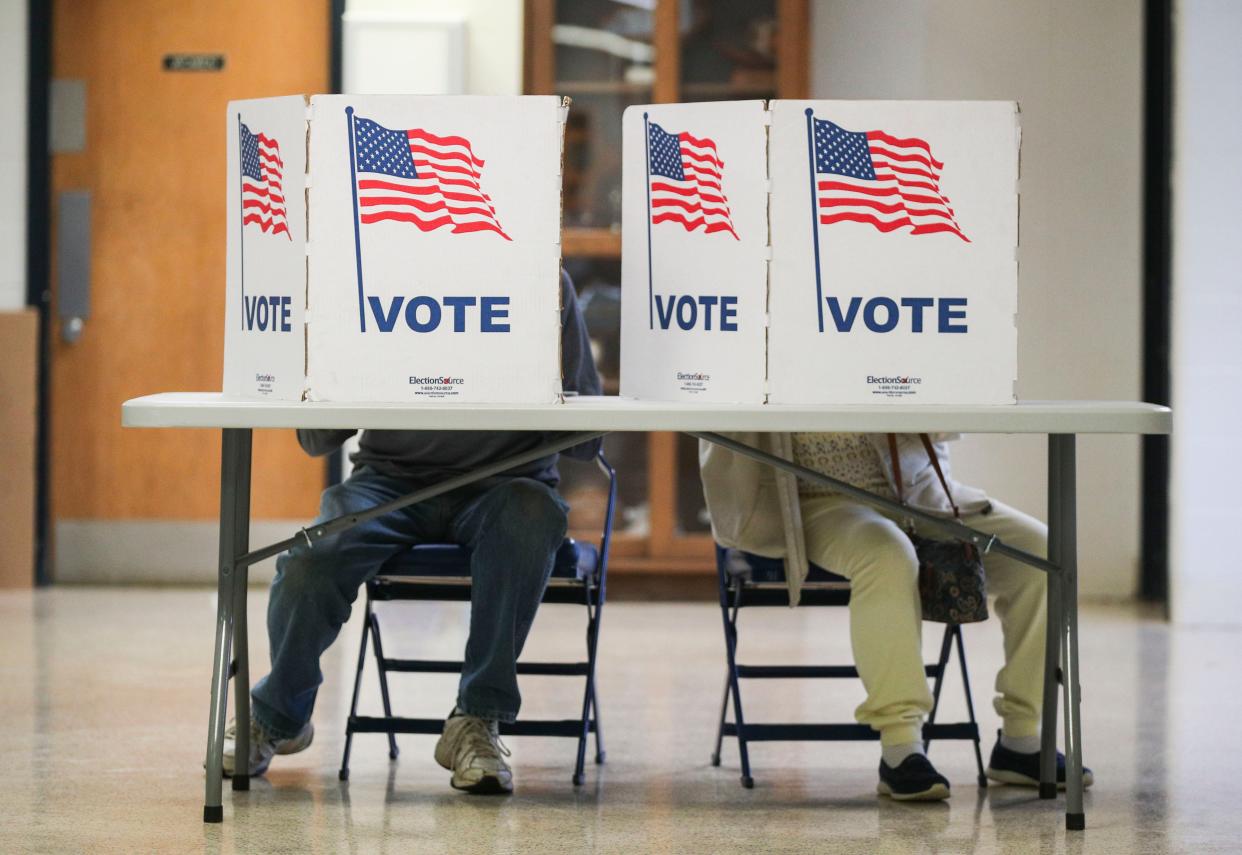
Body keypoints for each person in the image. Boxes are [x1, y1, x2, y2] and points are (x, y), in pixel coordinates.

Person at [224, 271, 602, 794]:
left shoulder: (543, 277)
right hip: (389, 481)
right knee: (316, 554)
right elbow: (317, 438)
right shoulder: (372, 273)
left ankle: (476, 720)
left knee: (530, 514)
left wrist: (536, 378)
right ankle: (277, 715)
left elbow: (587, 437)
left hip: (507, 485)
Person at [700, 432, 1093, 801]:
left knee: (1042, 554)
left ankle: (1021, 741)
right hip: (815, 498)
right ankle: (901, 747)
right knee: (887, 555)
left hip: (919, 493)